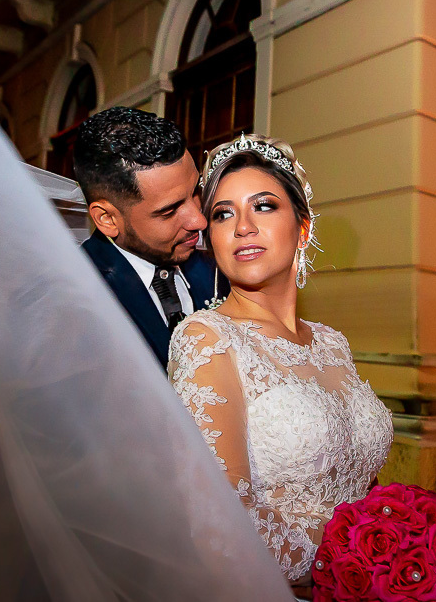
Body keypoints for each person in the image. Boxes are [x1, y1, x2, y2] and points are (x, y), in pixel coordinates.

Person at [166, 134, 394, 592]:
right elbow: (220, 521)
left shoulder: (333, 343)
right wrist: (355, 567)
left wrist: (399, 542)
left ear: (304, 227)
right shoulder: (206, 339)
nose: (242, 227)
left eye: (264, 206)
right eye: (222, 214)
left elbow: (361, 483)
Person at [75, 106, 228, 368]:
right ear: (107, 219)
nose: (199, 221)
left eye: (195, 191)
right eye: (169, 211)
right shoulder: (72, 299)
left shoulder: (218, 270)